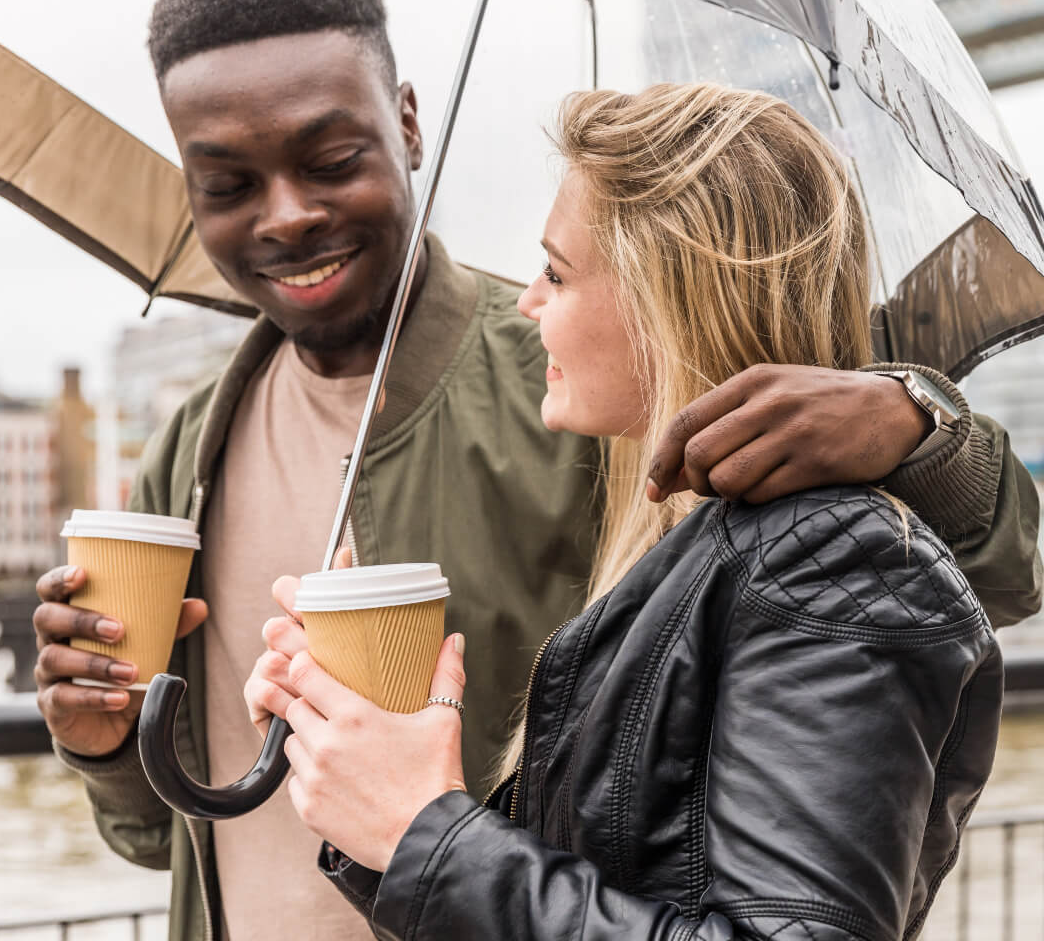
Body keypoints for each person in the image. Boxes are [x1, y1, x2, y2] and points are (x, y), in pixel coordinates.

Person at [27, 0, 1042, 941]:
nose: (286, 216)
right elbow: (173, 835)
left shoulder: (589, 384)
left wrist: (913, 420)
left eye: (332, 161)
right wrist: (108, 741)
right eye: (228, 185)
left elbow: (963, 571)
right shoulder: (189, 449)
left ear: (409, 124)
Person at [248, 82, 1003, 940]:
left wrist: (424, 833)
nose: (528, 301)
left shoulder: (833, 564)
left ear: (666, 297)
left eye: (558, 272)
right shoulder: (697, 547)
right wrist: (386, 787)